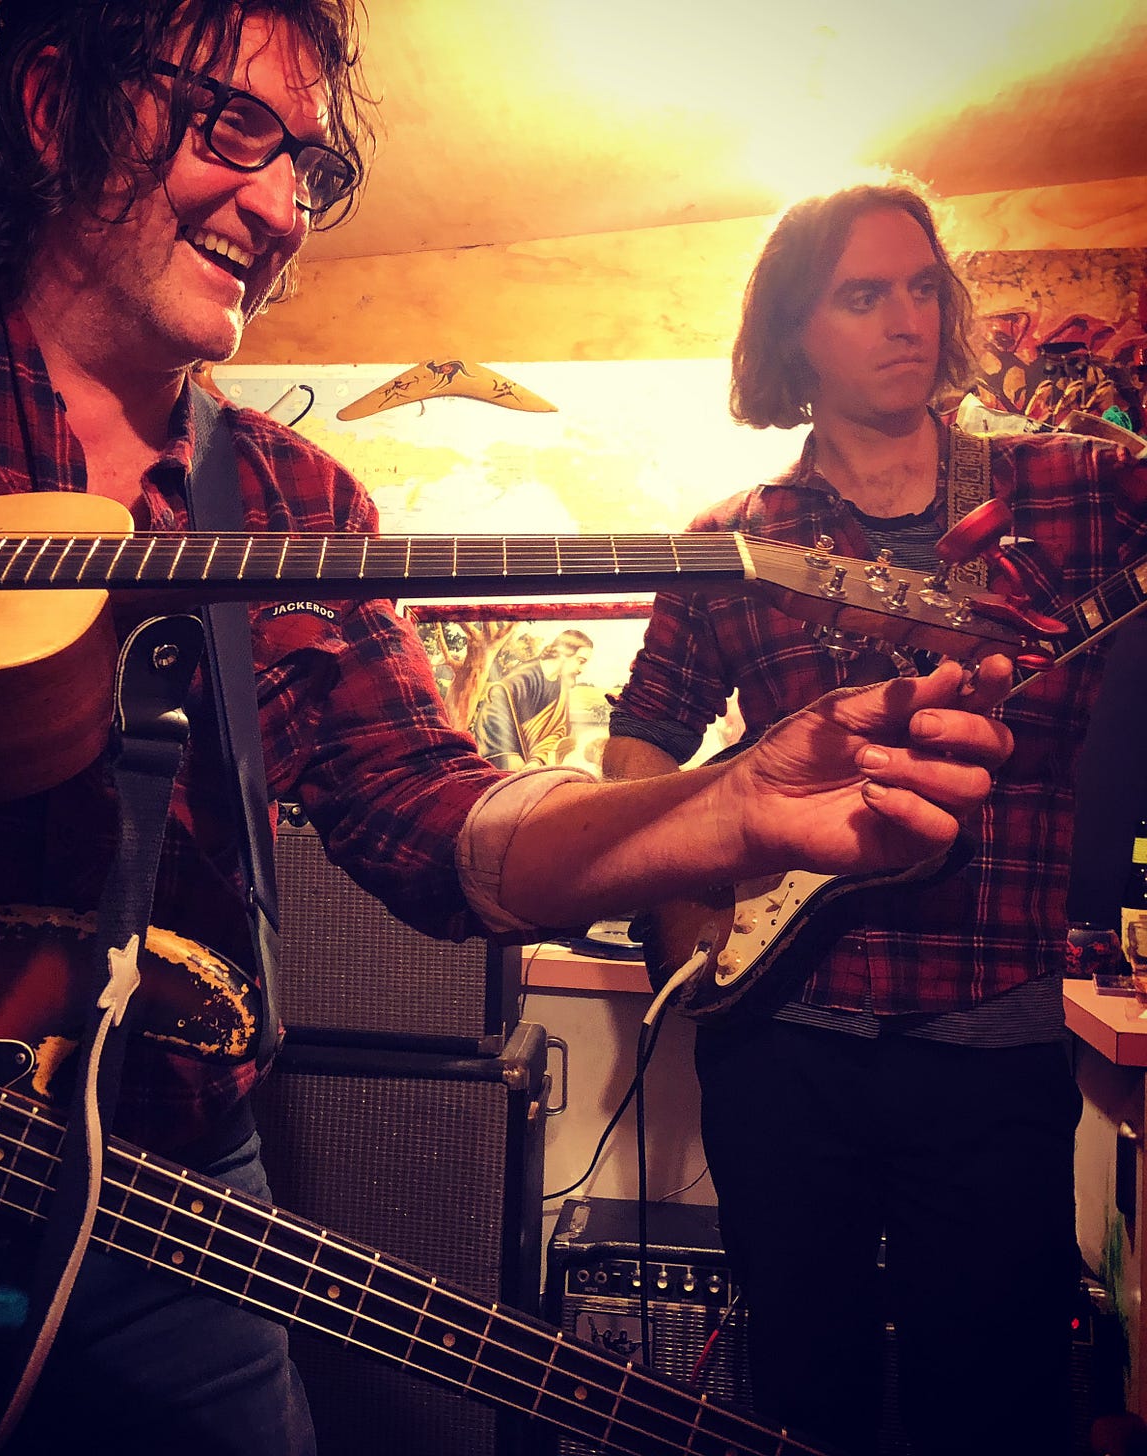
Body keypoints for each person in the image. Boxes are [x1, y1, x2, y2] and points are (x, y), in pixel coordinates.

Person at [0, 8, 1015, 1448]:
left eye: (310, 171)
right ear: (56, 97)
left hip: (154, 1169)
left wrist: (728, 805)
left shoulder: (293, 503)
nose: (280, 210)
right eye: (235, 128)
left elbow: (437, 822)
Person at [604, 180, 1147, 1456]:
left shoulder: (1070, 488)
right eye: (861, 295)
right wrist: (683, 930)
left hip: (990, 1034)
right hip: (781, 1039)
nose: (907, 319)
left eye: (919, 288)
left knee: (999, 1400)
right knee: (805, 1391)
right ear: (793, 332)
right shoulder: (734, 541)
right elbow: (640, 740)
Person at [472, 627, 593, 769]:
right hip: (506, 764)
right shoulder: (522, 679)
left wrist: (537, 760)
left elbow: (558, 731)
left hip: (536, 764)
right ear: (563, 653)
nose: (581, 669)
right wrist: (511, 756)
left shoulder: (561, 688)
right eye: (581, 661)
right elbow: (493, 714)